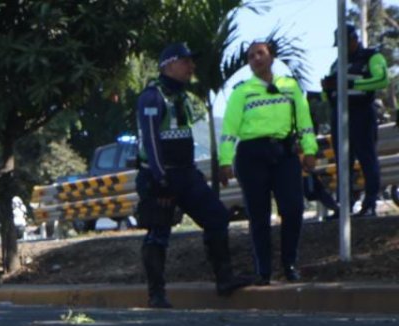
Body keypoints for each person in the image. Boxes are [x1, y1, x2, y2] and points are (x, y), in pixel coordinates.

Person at [135, 43, 253, 308]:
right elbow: (151, 140)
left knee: (217, 217)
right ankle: (156, 294)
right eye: (186, 61)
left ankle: (224, 279)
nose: (192, 67)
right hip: (160, 178)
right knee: (158, 233)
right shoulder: (152, 97)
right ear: (169, 64)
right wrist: (159, 178)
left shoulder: (182, 97)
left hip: (187, 175)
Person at [219, 39, 318, 285]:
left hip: (284, 153)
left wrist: (310, 150)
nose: (256, 59)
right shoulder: (241, 91)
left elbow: (304, 121)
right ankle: (263, 270)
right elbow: (229, 128)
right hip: (252, 156)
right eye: (251, 56)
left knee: (293, 209)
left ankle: (290, 264)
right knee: (259, 216)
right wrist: (224, 160)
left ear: (271, 56)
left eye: (260, 54)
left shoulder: (290, 86)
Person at [322, 26, 389, 218]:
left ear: (354, 39)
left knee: (367, 158)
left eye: (345, 43)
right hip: (339, 114)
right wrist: (326, 90)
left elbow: (382, 80)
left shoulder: (371, 56)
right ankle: (344, 205)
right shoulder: (337, 64)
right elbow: (331, 94)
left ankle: (370, 204)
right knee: (343, 161)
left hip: (362, 112)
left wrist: (351, 84)